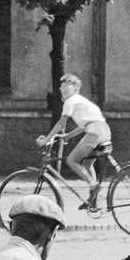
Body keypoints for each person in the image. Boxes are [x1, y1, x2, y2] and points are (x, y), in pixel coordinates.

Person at [43, 74, 112, 212]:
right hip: (104, 131)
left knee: (71, 161)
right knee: (87, 164)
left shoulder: (70, 101)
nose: (63, 89)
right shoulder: (82, 101)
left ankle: (93, 186)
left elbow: (61, 122)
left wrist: (46, 139)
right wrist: (68, 135)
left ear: (75, 89)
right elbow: (84, 125)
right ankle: (94, 201)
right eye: (62, 87)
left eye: (67, 87)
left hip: (94, 133)